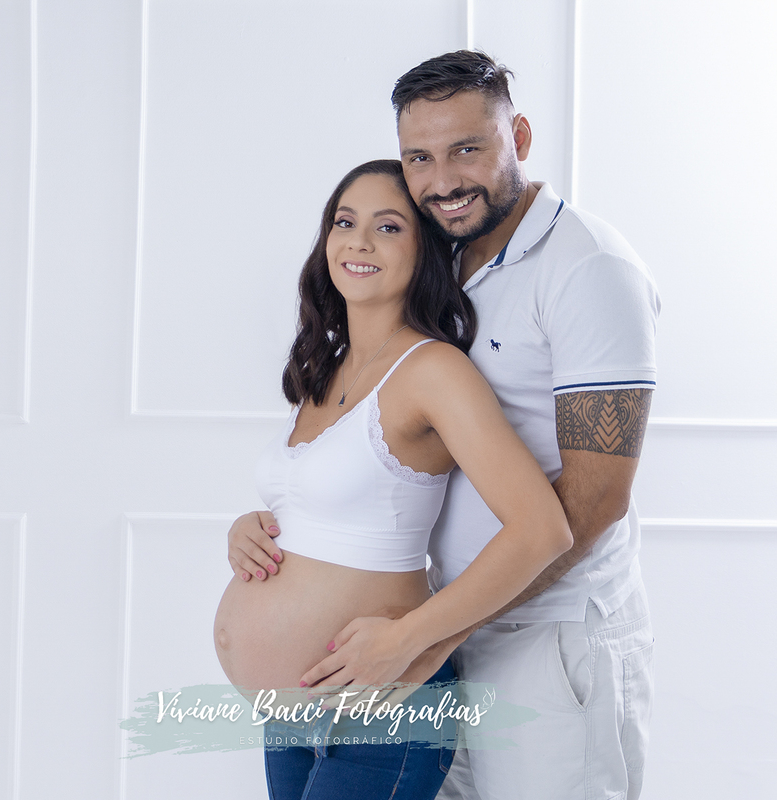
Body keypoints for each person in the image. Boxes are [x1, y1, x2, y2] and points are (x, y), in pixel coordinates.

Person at [228, 52, 662, 800]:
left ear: (518, 137)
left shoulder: (588, 269)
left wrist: (427, 635)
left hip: (547, 633)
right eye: (419, 158)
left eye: (467, 149)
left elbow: (596, 500)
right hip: (442, 626)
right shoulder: (445, 256)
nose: (443, 180)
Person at [213, 158, 573, 800]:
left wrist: (409, 638)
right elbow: (332, 506)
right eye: (344, 222)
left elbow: (542, 529)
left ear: (424, 250)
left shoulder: (433, 371)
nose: (359, 242)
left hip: (383, 702)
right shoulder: (327, 366)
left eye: (387, 227)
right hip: (289, 715)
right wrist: (251, 529)